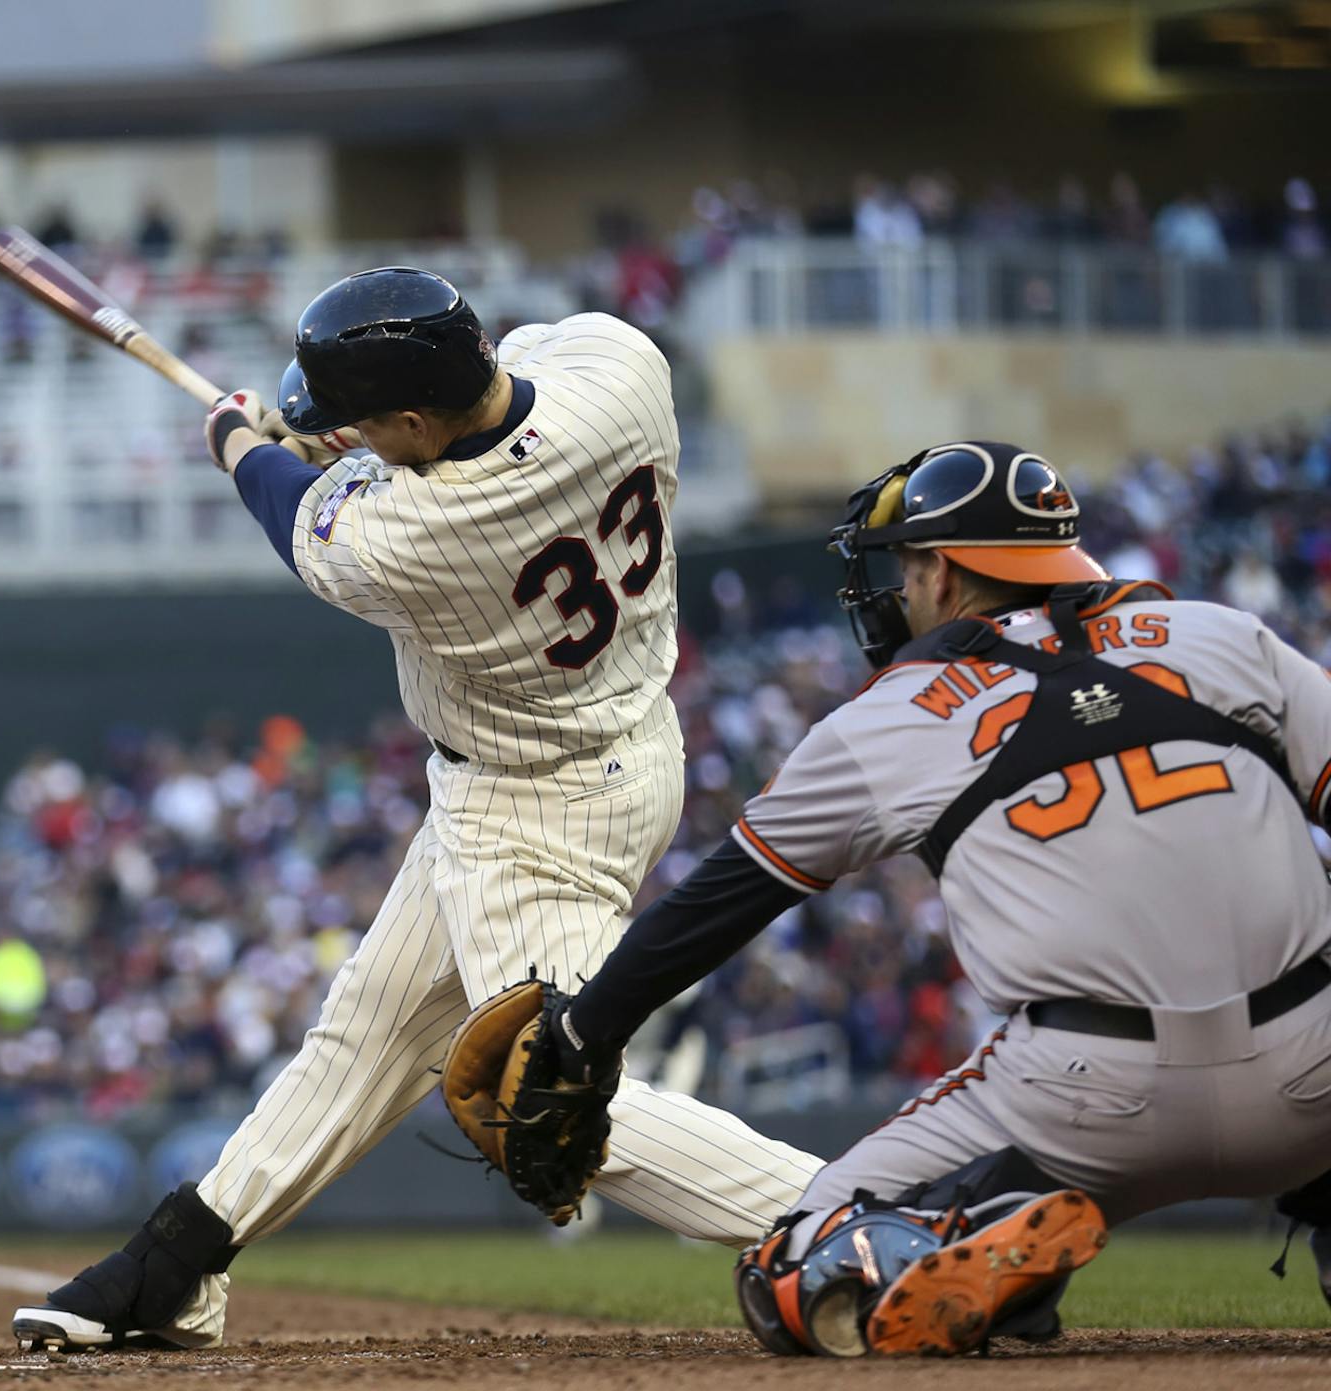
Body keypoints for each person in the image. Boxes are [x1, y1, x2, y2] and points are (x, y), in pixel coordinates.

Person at [9, 267, 821, 1352]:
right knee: (370, 1033)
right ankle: (179, 1260)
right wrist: (361, 445)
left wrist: (242, 441)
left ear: (407, 418)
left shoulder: (404, 538)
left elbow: (294, 507)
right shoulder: (624, 368)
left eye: (365, 423)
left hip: (539, 806)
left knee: (547, 1095)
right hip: (610, 745)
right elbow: (493, 393)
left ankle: (875, 1214)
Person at [533, 441, 1331, 1356]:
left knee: (799, 1260)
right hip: (1316, 1068)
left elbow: (719, 904)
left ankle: (987, 1211)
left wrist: (582, 1034)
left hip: (1084, 1097)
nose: (898, 590)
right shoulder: (1224, 636)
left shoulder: (888, 716)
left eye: (907, 567)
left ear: (946, 574)